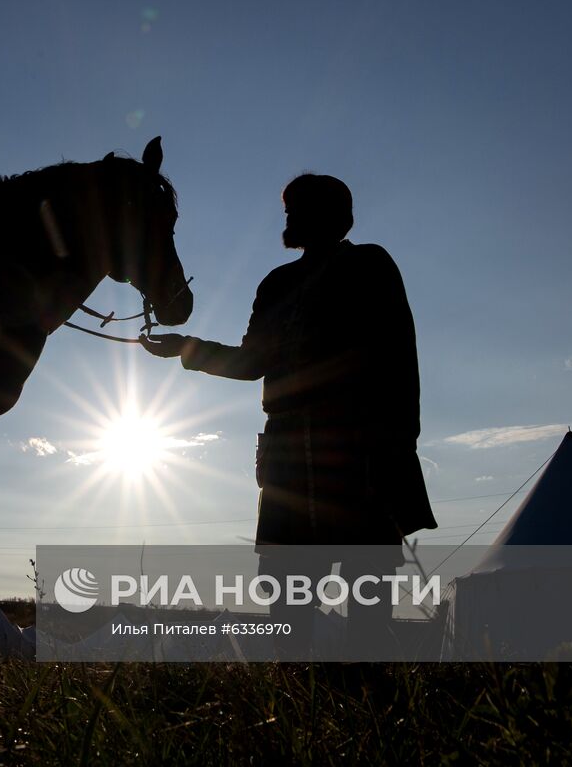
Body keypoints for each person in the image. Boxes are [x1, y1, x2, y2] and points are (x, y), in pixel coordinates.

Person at [141, 173, 435, 656]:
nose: (288, 217)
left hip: (357, 454)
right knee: (286, 596)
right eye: (288, 208)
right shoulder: (276, 285)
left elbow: (400, 357)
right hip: (286, 460)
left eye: (297, 209)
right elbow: (252, 361)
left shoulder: (369, 265)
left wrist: (400, 447)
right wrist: (184, 349)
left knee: (368, 592)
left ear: (330, 216)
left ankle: (366, 706)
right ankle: (297, 704)